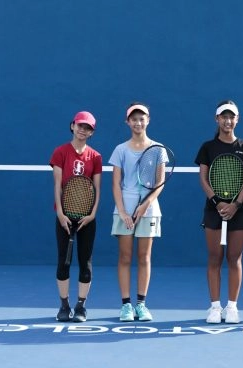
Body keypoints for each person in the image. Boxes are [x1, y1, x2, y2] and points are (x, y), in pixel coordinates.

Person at [194, 100, 243, 324]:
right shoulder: (207, 147)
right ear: (217, 119)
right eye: (224, 117)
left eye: (232, 117)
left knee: (234, 258)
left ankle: (232, 307)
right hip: (214, 210)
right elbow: (203, 177)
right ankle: (214, 307)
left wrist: (235, 204)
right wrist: (218, 202)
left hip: (239, 210)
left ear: (237, 119)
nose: (228, 121)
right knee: (214, 258)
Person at [109, 102, 166, 322]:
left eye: (142, 118)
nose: (138, 122)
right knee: (124, 257)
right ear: (127, 122)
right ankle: (126, 306)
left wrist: (145, 205)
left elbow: (160, 182)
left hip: (149, 211)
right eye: (134, 119)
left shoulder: (158, 149)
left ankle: (141, 304)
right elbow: (116, 184)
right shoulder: (120, 150)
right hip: (124, 210)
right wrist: (123, 211)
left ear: (148, 120)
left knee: (144, 257)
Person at [50, 111, 102, 322]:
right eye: (80, 125)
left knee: (85, 262)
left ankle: (81, 306)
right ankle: (64, 306)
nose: (83, 130)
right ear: (72, 126)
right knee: (63, 262)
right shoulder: (60, 152)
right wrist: (61, 213)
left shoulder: (95, 157)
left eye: (88, 127)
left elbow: (97, 188)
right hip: (64, 217)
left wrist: (92, 214)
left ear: (92, 132)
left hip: (87, 219)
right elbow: (57, 185)